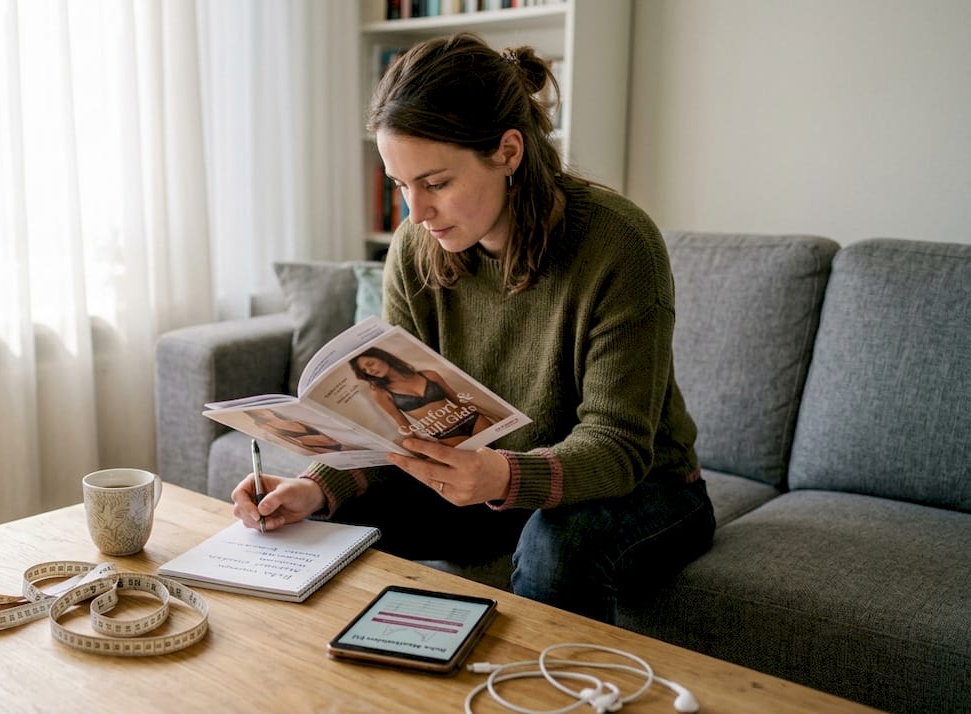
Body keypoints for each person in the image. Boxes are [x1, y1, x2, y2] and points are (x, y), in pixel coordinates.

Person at [231, 33, 714, 624]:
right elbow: (397, 430)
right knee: (329, 524)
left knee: (555, 549)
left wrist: (502, 475)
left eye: (435, 183)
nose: (416, 213)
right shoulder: (415, 249)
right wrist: (317, 488)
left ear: (508, 152)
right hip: (492, 473)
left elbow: (617, 446)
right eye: (400, 185)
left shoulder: (620, 245)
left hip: (645, 487)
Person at [348, 346, 501, 446]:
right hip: (446, 435)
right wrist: (419, 448)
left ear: (382, 357)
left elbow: (459, 401)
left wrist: (496, 416)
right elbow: (403, 425)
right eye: (365, 370)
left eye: (370, 363)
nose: (369, 371)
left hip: (473, 421)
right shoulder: (380, 392)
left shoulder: (429, 375)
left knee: (502, 453)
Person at [248, 408, 349, 455]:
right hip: (313, 444)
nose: (261, 413)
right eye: (257, 413)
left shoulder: (284, 415)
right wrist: (305, 450)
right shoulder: (265, 425)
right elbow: (288, 440)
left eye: (261, 411)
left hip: (328, 438)